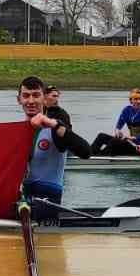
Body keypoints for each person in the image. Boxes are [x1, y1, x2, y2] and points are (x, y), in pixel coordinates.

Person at [18, 76, 91, 220]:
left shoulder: (54, 128)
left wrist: (53, 124)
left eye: (36, 95)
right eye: (26, 96)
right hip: (22, 199)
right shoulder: (15, 131)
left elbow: (86, 152)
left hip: (47, 200)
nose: (31, 101)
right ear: (19, 100)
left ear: (44, 99)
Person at [91, 88, 140, 156]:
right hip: (131, 143)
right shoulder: (127, 111)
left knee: (115, 142)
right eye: (136, 99)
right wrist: (117, 131)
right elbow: (119, 125)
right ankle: (89, 156)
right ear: (131, 101)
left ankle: (97, 159)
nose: (139, 101)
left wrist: (135, 138)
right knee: (101, 136)